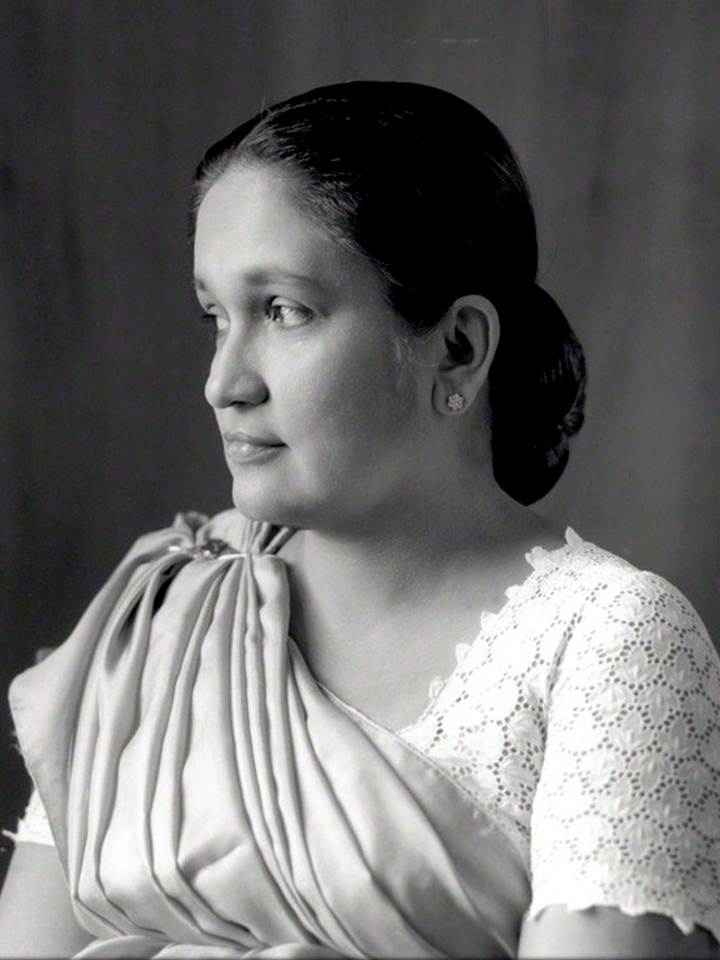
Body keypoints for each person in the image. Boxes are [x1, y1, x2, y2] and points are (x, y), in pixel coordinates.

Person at [1, 80, 718, 958]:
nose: (224, 381)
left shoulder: (607, 640)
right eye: (215, 317)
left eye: (284, 311)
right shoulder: (170, 613)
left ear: (457, 346)